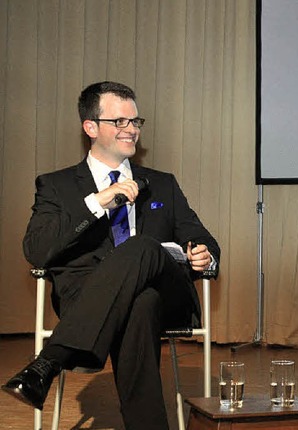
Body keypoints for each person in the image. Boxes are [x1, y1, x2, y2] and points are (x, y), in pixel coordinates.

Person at [2, 81, 220, 429]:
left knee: (143, 247)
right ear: (90, 127)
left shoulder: (162, 183)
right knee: (140, 302)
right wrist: (98, 202)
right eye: (120, 122)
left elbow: (201, 237)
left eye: (135, 122)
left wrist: (205, 256)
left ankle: (49, 361)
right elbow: (37, 251)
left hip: (169, 295)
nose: (131, 130)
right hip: (90, 298)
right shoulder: (56, 186)